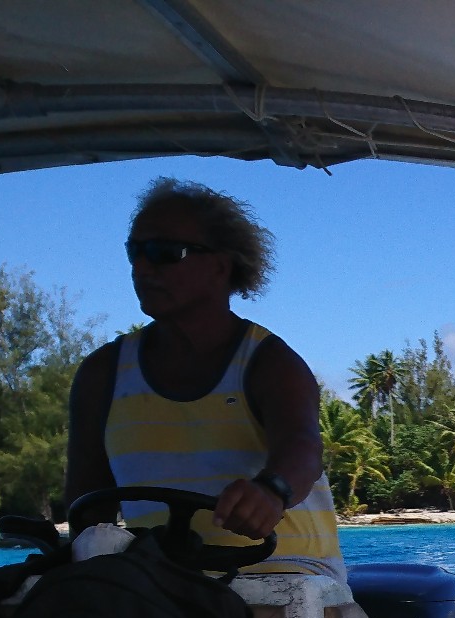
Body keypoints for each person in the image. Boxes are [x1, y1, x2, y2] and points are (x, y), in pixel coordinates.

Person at [64, 178, 344, 579]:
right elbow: (88, 506)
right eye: (134, 252)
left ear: (219, 265)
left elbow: (303, 448)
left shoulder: (270, 363)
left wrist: (272, 492)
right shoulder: (101, 375)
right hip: (161, 597)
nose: (141, 268)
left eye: (164, 253)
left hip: (289, 584)